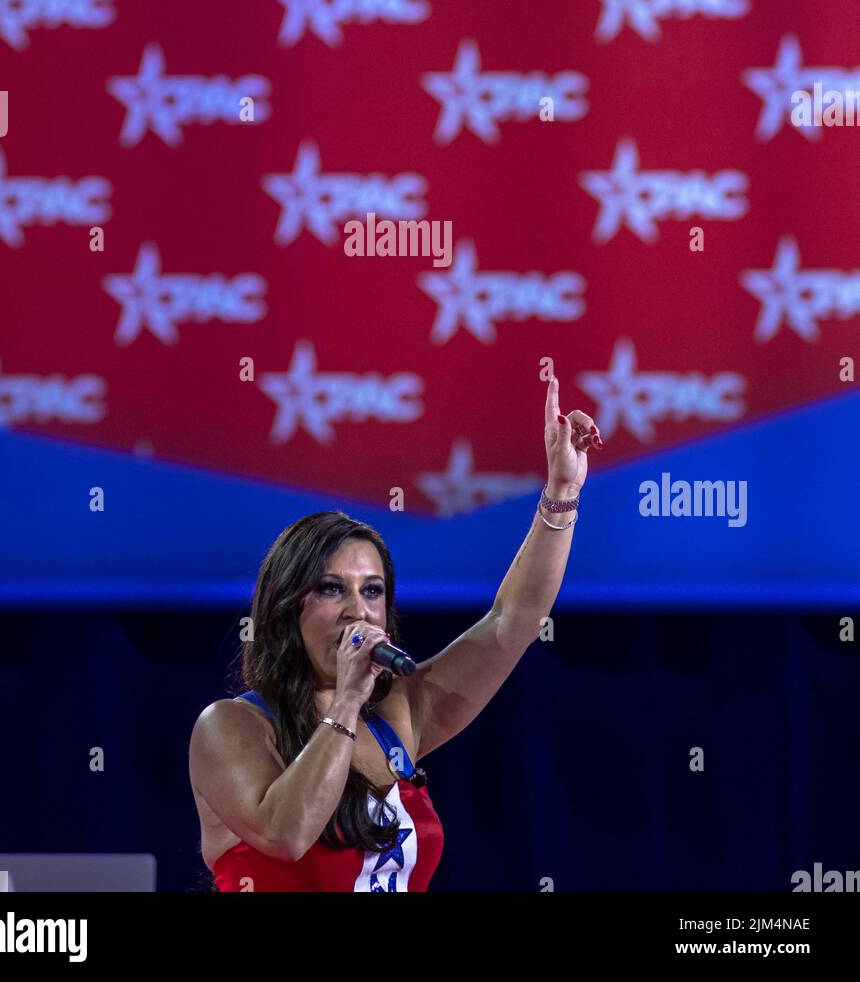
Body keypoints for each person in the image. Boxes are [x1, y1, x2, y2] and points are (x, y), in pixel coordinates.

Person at [189, 366, 602, 891]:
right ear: (285, 607)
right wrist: (344, 704)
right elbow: (285, 834)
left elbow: (512, 622)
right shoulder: (230, 728)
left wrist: (562, 491)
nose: (357, 610)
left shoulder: (401, 714)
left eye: (372, 590)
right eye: (331, 588)